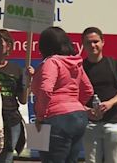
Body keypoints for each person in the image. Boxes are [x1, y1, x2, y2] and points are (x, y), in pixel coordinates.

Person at [31, 26, 93, 163]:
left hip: (55, 118)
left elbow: (46, 90)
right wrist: (75, 105)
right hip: (79, 117)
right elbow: (88, 90)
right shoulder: (75, 63)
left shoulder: (51, 62)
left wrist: (40, 117)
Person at [81, 27, 117, 163]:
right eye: (88, 42)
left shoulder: (115, 64)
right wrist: (86, 110)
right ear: (83, 45)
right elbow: (72, 94)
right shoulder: (79, 68)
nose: (92, 45)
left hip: (113, 123)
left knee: (114, 161)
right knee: (91, 161)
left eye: (96, 41)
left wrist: (110, 103)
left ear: (103, 42)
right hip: (89, 123)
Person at [0, 29, 28, 163]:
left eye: (0, 43)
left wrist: (28, 82)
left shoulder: (16, 70)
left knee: (6, 157)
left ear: (8, 46)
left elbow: (23, 100)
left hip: (10, 120)